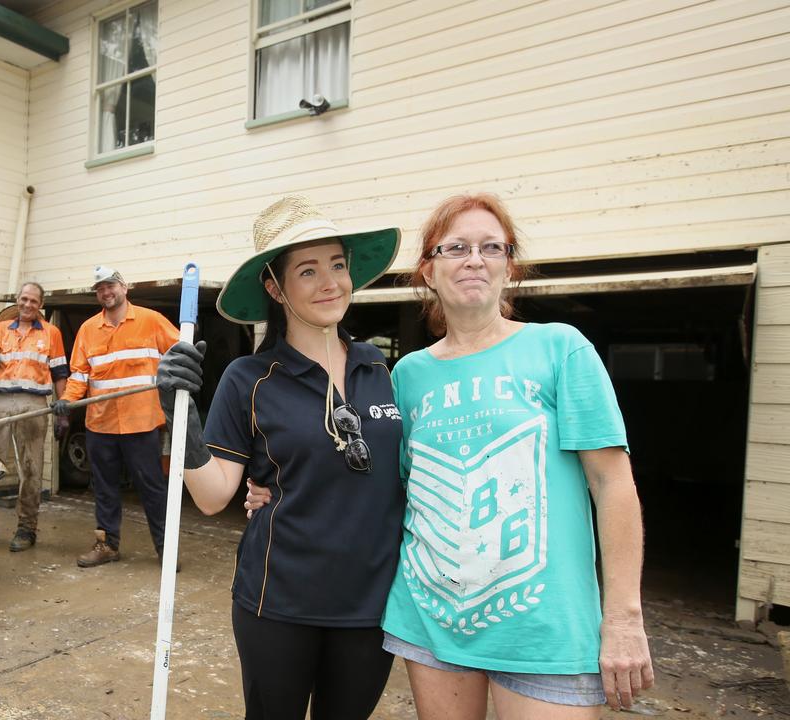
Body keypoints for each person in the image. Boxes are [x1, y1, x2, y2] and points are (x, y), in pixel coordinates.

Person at [247, 193, 655, 717]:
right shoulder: (406, 377)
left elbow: (613, 484)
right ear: (428, 270)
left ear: (511, 266)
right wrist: (272, 492)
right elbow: (384, 483)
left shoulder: (561, 349)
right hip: (433, 622)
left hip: (544, 629)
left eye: (492, 247)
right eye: (456, 247)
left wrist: (623, 617)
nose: (474, 259)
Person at [155, 195, 405, 718]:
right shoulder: (248, 378)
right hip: (278, 601)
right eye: (308, 271)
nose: (330, 282)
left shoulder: (380, 369)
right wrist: (183, 420)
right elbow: (213, 495)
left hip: (372, 605)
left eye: (338, 265)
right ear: (275, 287)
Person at [52, 265, 178, 568]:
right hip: (101, 424)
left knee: (152, 489)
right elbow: (80, 374)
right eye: (100, 289)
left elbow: (179, 354)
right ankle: (107, 545)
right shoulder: (88, 329)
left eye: (111, 286)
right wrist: (67, 401)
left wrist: (177, 379)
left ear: (124, 287)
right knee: (105, 489)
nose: (106, 292)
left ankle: (166, 550)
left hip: (142, 422)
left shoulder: (151, 321)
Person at [0, 281, 69, 552]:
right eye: (24, 299)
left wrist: (65, 406)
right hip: (0, 403)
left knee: (31, 468)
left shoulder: (52, 333)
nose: (28, 304)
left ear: (40, 305)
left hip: (34, 406)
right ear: (17, 301)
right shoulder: (1, 330)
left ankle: (26, 528)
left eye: (33, 301)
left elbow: (60, 373)